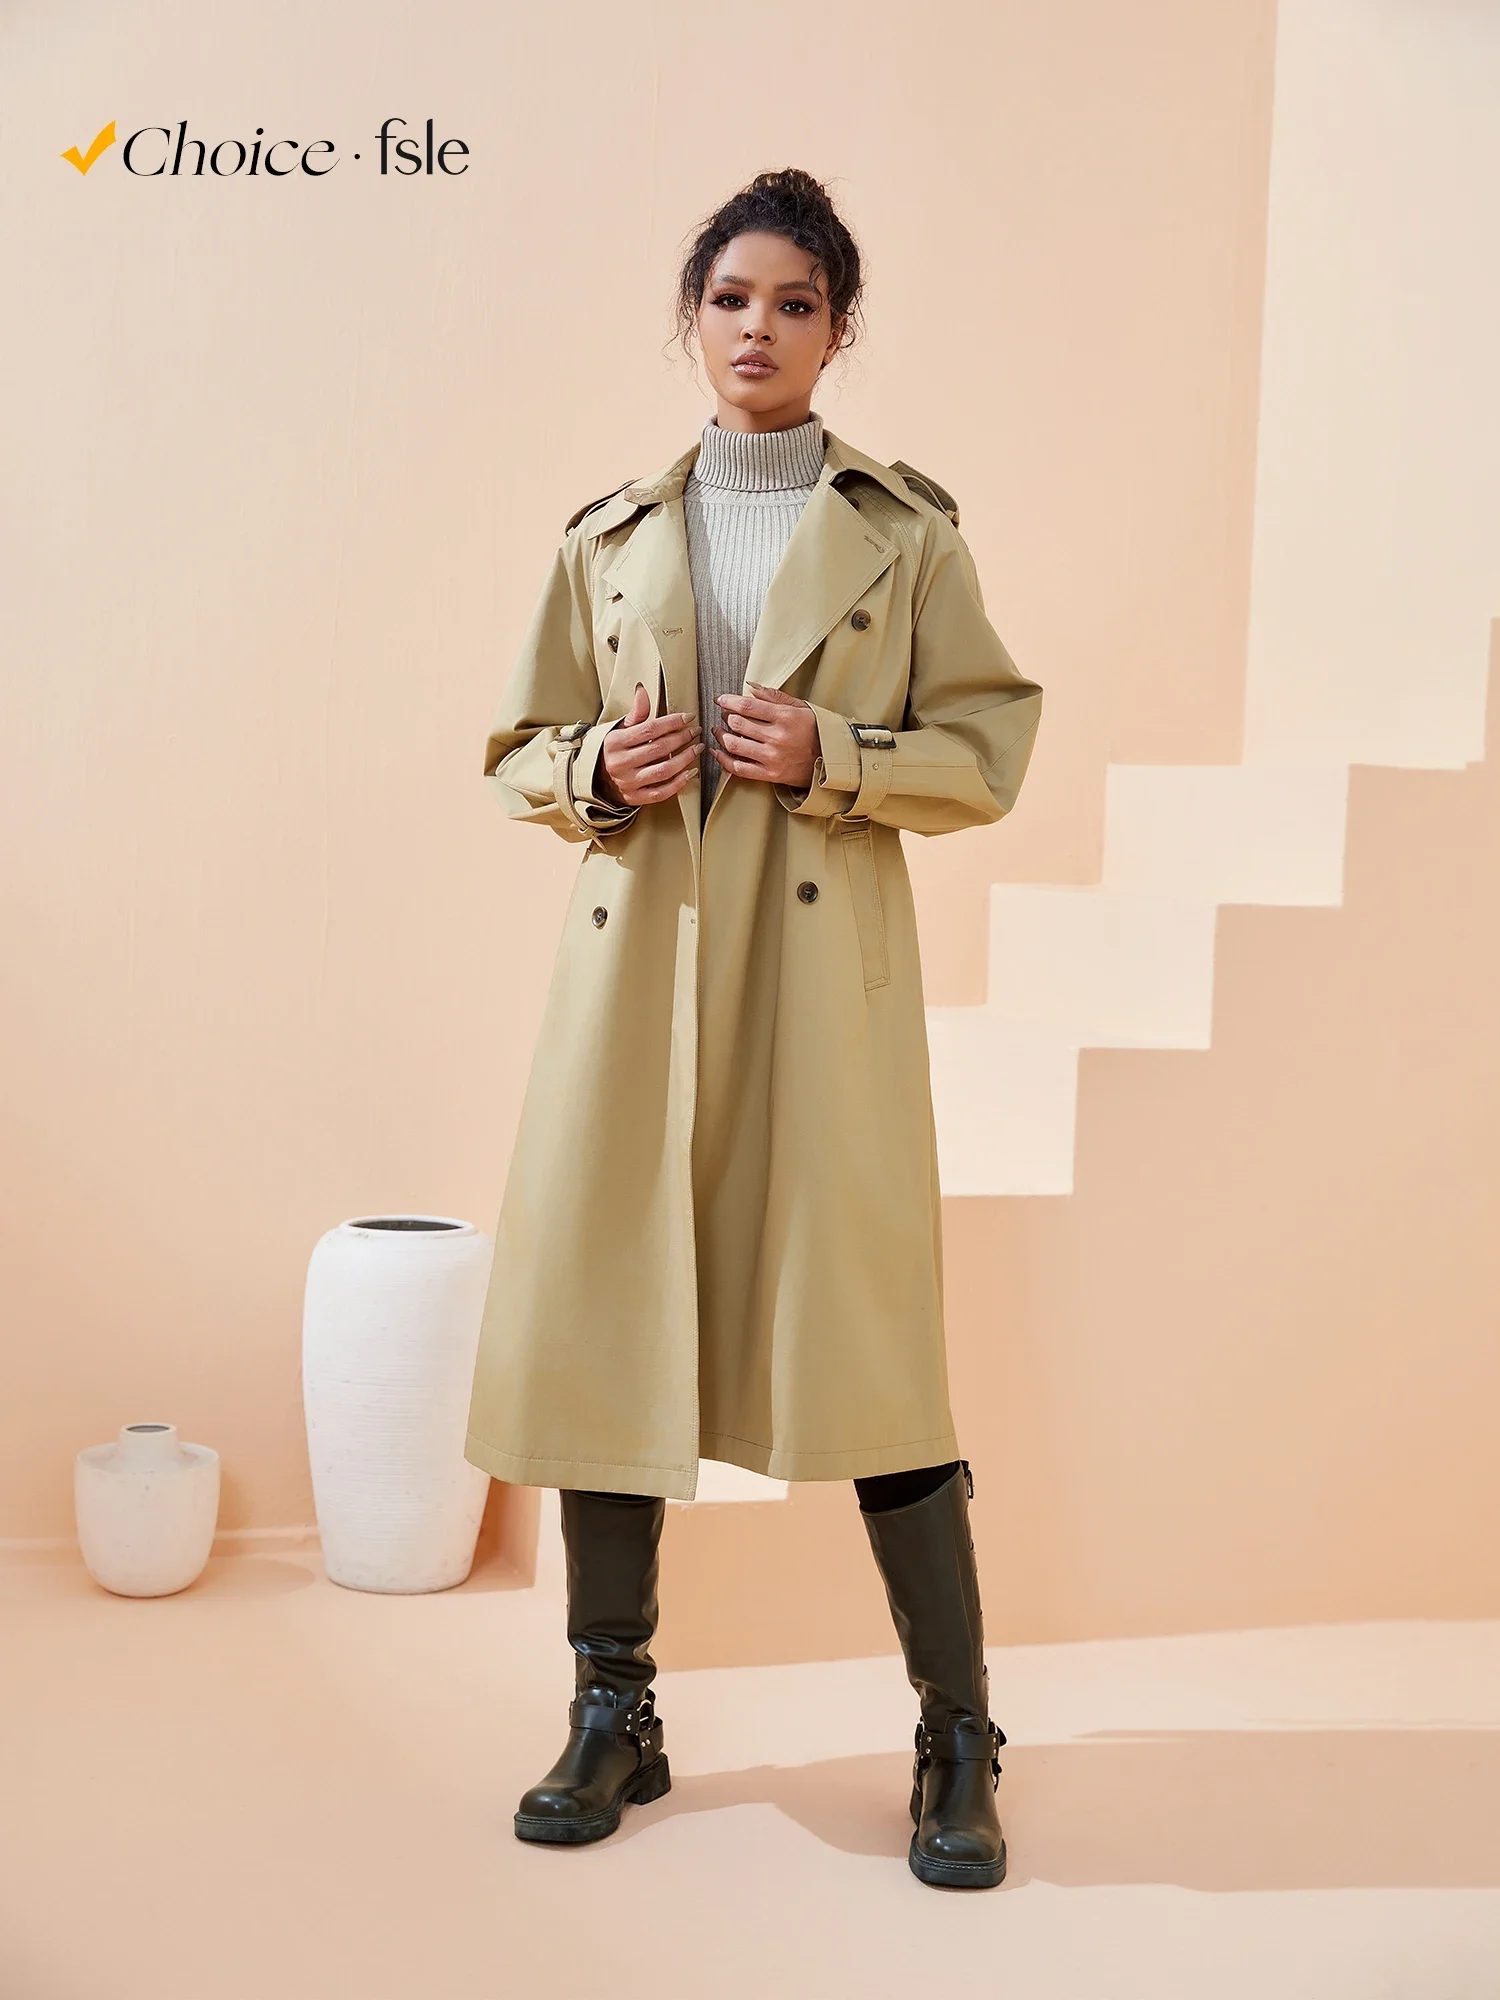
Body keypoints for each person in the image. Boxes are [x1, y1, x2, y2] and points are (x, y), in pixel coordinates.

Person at [464, 167, 1043, 1890]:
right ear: (692, 317)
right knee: (604, 1333)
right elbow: (517, 746)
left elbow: (990, 751)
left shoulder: (905, 533)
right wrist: (595, 768)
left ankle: (958, 1738)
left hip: (818, 981)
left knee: (867, 1343)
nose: (759, 329)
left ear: (838, 328)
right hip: (638, 975)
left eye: (796, 303)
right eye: (731, 298)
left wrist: (838, 756)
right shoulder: (608, 536)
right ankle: (612, 1712)